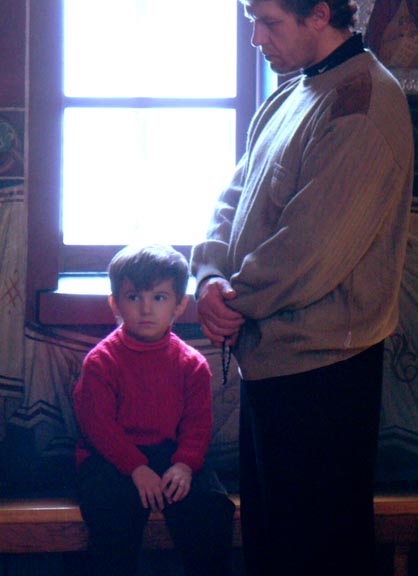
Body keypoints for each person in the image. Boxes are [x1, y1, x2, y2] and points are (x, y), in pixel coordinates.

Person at [191, 1, 414, 575]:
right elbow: (233, 195)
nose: (256, 39)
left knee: (316, 555)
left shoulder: (363, 101)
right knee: (271, 546)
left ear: (319, 14)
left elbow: (312, 247)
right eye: (252, 21)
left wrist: (232, 300)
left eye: (269, 23)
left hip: (325, 374)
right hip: (271, 362)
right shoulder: (293, 91)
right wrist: (209, 274)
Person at [73, 244, 235, 576]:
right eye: (134, 297)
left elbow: (197, 425)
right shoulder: (101, 362)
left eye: (159, 297)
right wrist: (136, 467)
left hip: (172, 455)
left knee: (211, 508)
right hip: (110, 457)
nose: (146, 309)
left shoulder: (192, 364)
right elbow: (98, 426)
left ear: (179, 305)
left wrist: (184, 465)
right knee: (113, 510)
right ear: (115, 304)